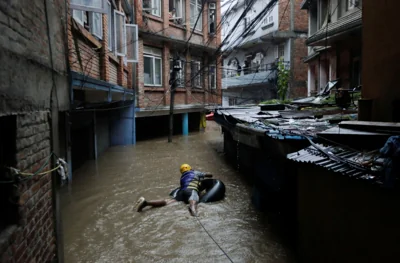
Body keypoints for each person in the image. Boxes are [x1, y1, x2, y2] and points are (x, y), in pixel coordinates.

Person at [135, 164, 212, 216]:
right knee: (193, 203)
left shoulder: (182, 177)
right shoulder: (194, 172)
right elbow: (210, 175)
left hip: (181, 192)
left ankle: (146, 203)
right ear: (190, 168)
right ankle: (194, 213)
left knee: (167, 202)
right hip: (191, 190)